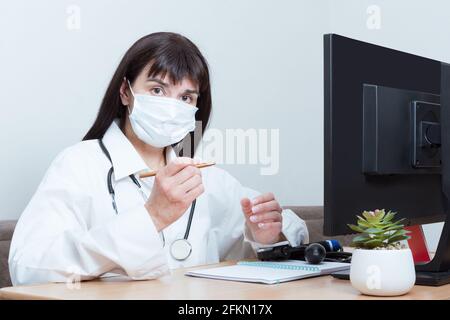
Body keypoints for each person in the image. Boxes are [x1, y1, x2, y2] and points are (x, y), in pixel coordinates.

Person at [9, 32, 308, 285]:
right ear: (126, 92)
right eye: (157, 90)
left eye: (185, 98)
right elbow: (29, 267)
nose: (171, 107)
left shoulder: (206, 177)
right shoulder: (79, 164)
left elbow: (293, 229)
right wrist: (152, 216)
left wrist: (267, 236)